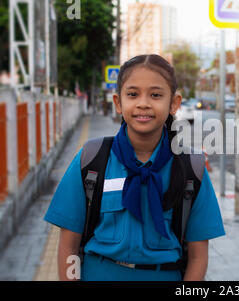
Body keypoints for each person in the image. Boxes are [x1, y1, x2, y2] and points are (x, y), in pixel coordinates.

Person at [44, 54, 226, 281]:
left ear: (174, 103)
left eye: (156, 95)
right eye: (132, 94)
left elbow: (199, 257)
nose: (143, 103)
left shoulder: (192, 167)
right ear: (118, 103)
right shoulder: (92, 159)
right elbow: (68, 247)